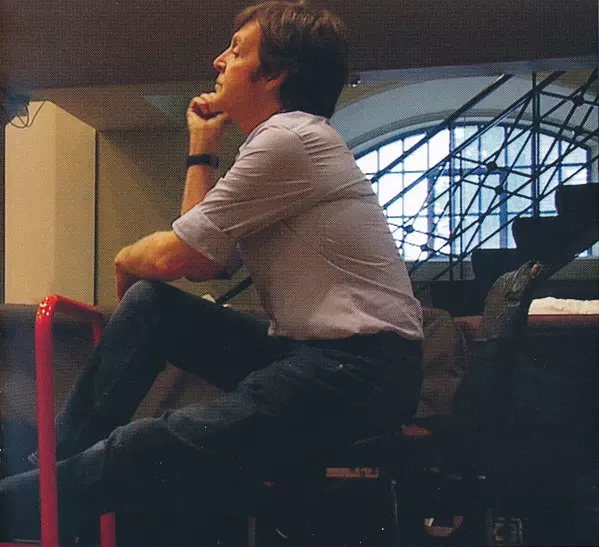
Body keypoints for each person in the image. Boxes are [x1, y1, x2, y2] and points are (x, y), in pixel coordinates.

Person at [0, 0, 423, 542]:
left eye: (237, 51)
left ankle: (24, 497)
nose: (219, 60)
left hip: (358, 373)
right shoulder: (286, 143)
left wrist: (126, 258)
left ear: (274, 74)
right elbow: (205, 257)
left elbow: (177, 257)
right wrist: (203, 149)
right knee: (152, 307)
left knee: (145, 446)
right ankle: (46, 472)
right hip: (319, 356)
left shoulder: (289, 139)